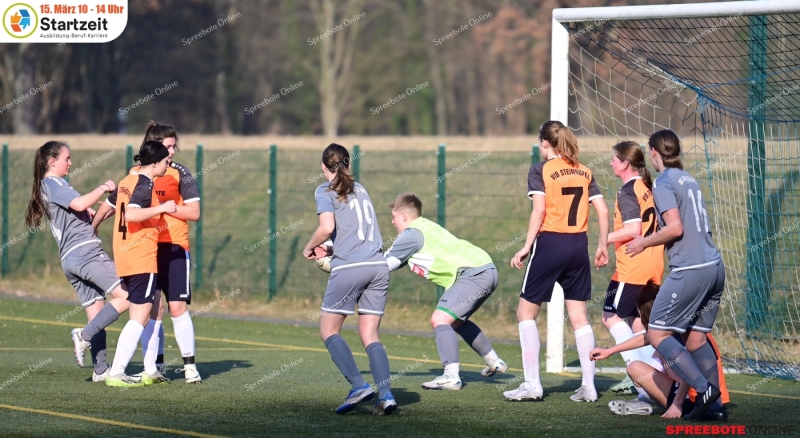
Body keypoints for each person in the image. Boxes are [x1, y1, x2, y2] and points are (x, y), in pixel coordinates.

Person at [503, 120, 609, 403]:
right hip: (579, 245)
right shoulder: (584, 170)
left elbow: (539, 209)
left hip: (551, 243)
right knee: (579, 317)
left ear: (544, 143)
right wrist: (602, 245)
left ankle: (532, 384)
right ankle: (589, 386)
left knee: (525, 314)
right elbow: (602, 209)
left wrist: (526, 246)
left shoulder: (540, 170)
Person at [625, 129, 726, 420]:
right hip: (715, 268)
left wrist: (643, 242)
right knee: (695, 340)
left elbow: (675, 227)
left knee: (657, 332)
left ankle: (703, 389)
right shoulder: (689, 178)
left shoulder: (663, 182)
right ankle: (715, 408)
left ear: (654, 152)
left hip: (691, 269)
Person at [93, 122, 202, 383]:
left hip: (174, 246)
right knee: (152, 309)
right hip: (145, 249)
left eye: (174, 146)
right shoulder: (138, 175)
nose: (173, 152)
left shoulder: (179, 173)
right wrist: (93, 226)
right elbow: (117, 206)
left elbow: (194, 212)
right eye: (168, 147)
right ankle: (153, 367)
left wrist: (165, 207)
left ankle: (189, 367)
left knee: (176, 307)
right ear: (154, 149)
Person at [303, 143, 396, 415]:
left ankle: (359, 386)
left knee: (329, 331)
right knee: (370, 335)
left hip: (350, 267)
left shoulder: (325, 189)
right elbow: (357, 233)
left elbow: (327, 227)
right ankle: (386, 395)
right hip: (377, 265)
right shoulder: (361, 189)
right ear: (349, 164)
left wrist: (310, 247)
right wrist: (332, 248)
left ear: (323, 167)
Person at [25, 141, 130, 382]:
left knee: (97, 312)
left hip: (72, 258)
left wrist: (110, 209)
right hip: (85, 253)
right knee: (130, 295)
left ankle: (100, 370)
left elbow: (86, 216)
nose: (71, 163)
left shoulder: (56, 186)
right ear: (52, 162)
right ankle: (84, 335)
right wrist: (104, 187)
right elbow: (81, 204)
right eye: (67, 159)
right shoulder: (53, 184)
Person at [382, 193, 507, 390]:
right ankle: (494, 362)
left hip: (473, 273)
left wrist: (343, 265)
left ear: (404, 216)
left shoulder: (411, 234)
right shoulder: (425, 227)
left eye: (394, 216)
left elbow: (385, 264)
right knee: (456, 321)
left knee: (440, 319)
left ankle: (451, 377)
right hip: (487, 269)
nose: (392, 222)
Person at [590, 282, 729, 420]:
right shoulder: (684, 325)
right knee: (660, 353)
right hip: (715, 401)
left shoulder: (677, 335)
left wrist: (677, 404)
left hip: (696, 402)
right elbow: (647, 337)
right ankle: (648, 399)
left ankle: (646, 400)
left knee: (635, 368)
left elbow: (690, 366)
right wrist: (610, 350)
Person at [602, 140, 665, 396]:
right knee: (638, 321)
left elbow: (633, 229)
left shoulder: (627, 190)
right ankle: (655, 377)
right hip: (654, 264)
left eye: (614, 159)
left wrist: (603, 239)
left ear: (625, 163)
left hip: (633, 266)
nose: (611, 163)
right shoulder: (648, 187)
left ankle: (640, 380)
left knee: (610, 316)